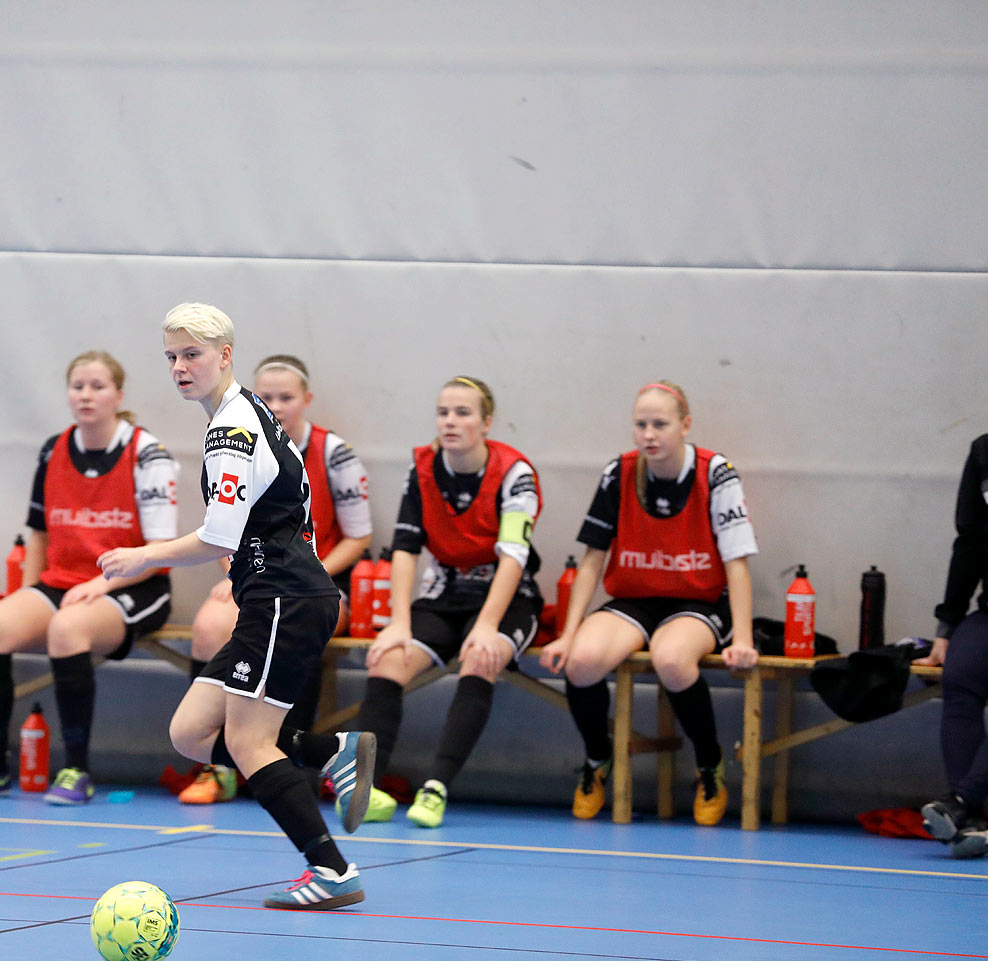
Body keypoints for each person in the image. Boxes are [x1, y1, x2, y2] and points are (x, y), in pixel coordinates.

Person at [100, 302, 376, 910]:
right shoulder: (243, 415)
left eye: (192, 355)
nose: (179, 367)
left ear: (225, 355)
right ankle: (329, 751)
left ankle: (332, 869)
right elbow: (272, 516)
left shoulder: (233, 428)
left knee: (250, 744)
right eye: (170, 356)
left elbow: (218, 535)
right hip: (273, 596)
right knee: (192, 733)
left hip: (285, 599)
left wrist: (144, 557)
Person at [0, 351, 178, 807]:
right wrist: (27, 595)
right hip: (63, 581)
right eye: (78, 386)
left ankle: (76, 770)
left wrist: (102, 584)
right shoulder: (53, 449)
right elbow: (39, 533)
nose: (86, 395)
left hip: (136, 584)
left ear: (118, 395)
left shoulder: (148, 454)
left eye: (98, 387)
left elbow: (158, 553)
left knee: (67, 630)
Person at [541, 380, 758, 826]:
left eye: (660, 424)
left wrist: (745, 638)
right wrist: (567, 633)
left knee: (672, 659)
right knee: (580, 662)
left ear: (685, 425)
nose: (649, 434)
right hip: (636, 599)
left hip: (699, 600)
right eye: (641, 425)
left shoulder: (715, 473)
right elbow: (592, 560)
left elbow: (737, 563)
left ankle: (709, 764)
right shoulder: (619, 473)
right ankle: (599, 760)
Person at [180, 354, 372, 805]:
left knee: (285, 621)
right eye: (267, 396)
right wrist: (238, 572)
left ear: (306, 400)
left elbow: (359, 536)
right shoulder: (235, 438)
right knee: (209, 624)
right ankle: (217, 763)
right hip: (256, 574)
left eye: (287, 397)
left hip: (316, 578)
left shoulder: (333, 453)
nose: (277, 405)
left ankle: (275, 759)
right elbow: (222, 530)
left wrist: (305, 570)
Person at [359, 377, 544, 828]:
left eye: (462, 413)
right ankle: (365, 788)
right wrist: (399, 621)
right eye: (443, 412)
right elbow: (405, 548)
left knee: (481, 657)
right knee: (386, 659)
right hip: (444, 595)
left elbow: (513, 557)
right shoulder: (422, 469)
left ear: (486, 422)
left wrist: (487, 625)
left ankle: (435, 788)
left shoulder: (516, 474)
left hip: (506, 598)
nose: (450, 421)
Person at [919, 433, 988, 858]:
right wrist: (946, 629)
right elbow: (969, 544)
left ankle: (959, 802)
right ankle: (974, 823)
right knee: (961, 672)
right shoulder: (984, 452)